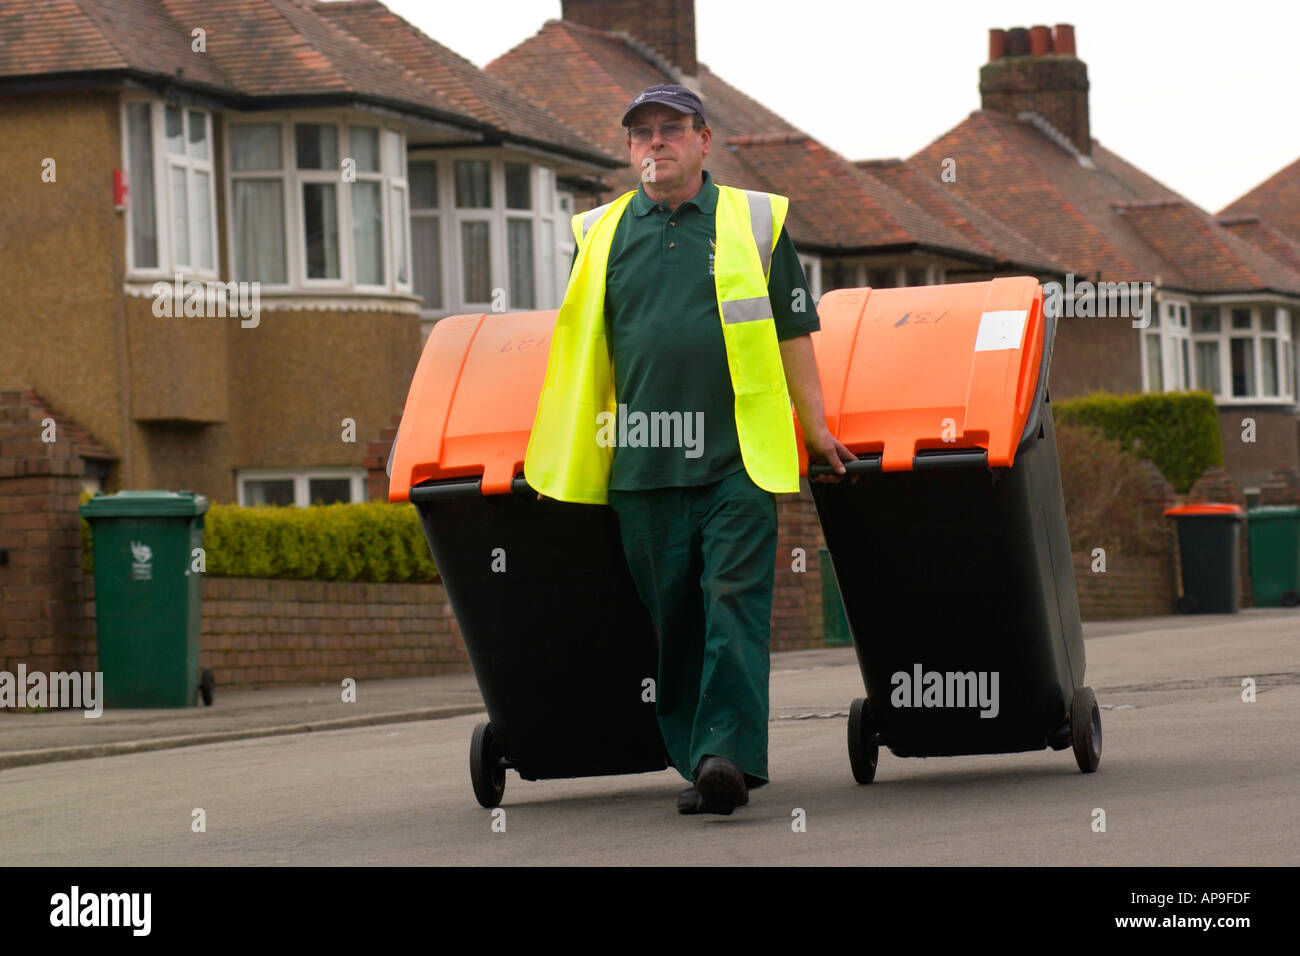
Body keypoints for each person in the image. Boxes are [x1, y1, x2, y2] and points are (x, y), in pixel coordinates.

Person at [525, 84, 855, 815]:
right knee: (676, 621)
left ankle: (725, 757)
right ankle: (697, 754)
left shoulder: (756, 222)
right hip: (642, 466)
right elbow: (580, 356)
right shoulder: (599, 234)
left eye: (670, 129)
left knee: (733, 600)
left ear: (705, 140)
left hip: (739, 458)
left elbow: (794, 332)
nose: (655, 143)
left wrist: (816, 425)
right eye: (640, 134)